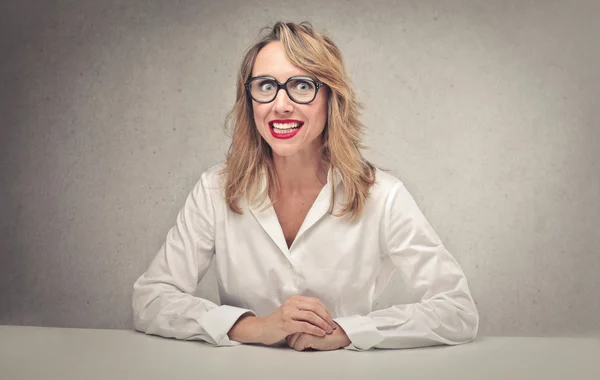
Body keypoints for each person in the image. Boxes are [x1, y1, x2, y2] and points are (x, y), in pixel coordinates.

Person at [132, 21, 479, 351]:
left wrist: (348, 332)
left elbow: (457, 311)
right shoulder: (214, 189)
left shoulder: (383, 196)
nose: (281, 105)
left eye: (302, 86)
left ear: (331, 97)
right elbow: (152, 299)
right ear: (249, 99)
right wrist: (254, 327)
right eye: (266, 87)